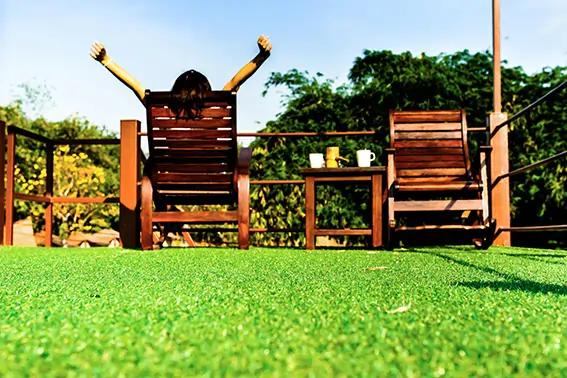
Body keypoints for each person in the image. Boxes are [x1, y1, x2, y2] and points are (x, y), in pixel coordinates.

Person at [90, 35, 272, 117]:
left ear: (175, 91)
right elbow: (235, 82)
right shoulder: (215, 109)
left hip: (169, 185)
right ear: (207, 91)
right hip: (212, 183)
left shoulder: (161, 109)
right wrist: (261, 56)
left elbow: (134, 85)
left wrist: (105, 60)